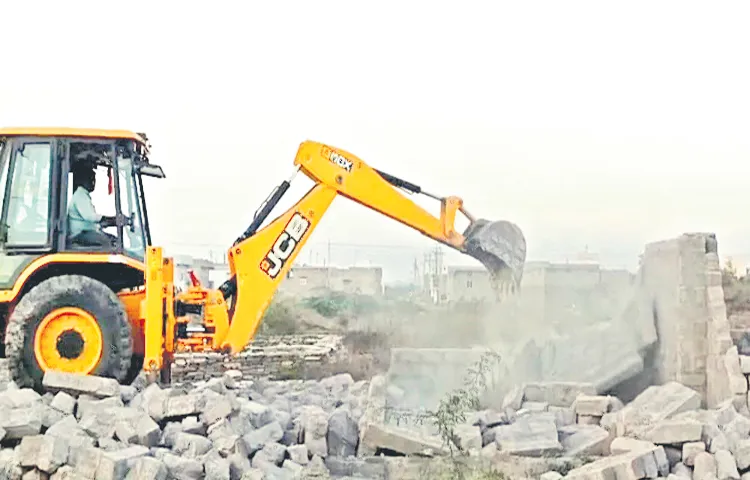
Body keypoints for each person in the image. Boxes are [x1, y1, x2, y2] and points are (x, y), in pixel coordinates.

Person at [67, 165, 117, 248]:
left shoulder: (82, 195)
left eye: (94, 179)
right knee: (108, 243)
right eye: (91, 179)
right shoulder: (80, 195)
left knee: (113, 239)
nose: (93, 182)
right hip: (80, 235)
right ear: (84, 180)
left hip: (85, 232)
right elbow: (91, 217)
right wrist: (110, 219)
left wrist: (107, 222)